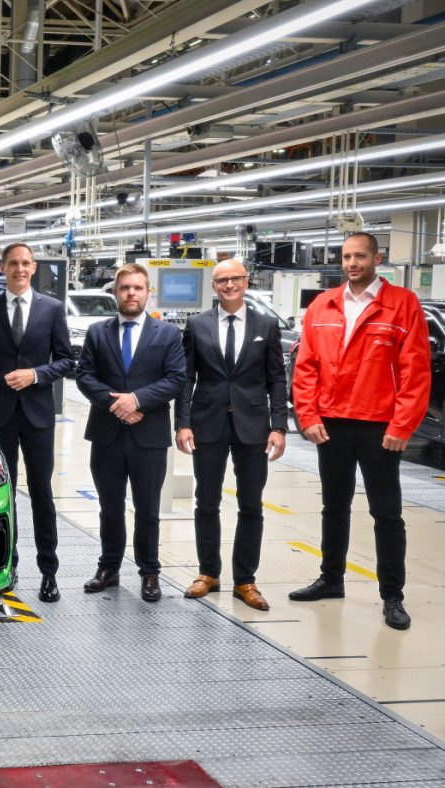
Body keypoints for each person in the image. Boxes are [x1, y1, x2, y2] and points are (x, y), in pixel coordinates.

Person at [290, 232, 430, 630]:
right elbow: (306, 366)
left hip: (379, 426)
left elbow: (415, 370)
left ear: (377, 258)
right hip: (331, 423)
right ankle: (331, 579)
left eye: (360, 256)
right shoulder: (323, 304)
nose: (352, 263)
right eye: (347, 257)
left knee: (386, 512)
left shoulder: (402, 303)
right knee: (334, 506)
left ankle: (392, 595)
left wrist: (402, 424)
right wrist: (308, 416)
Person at [174, 259, 288, 611]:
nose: (229, 285)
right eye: (222, 280)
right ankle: (208, 572)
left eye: (235, 278)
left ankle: (245, 580)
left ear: (246, 281)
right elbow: (186, 377)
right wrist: (182, 423)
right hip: (208, 423)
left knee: (251, 503)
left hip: (253, 426)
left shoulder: (266, 325)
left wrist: (279, 426)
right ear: (213, 286)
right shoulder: (197, 325)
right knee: (206, 501)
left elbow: (276, 379)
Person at [0, 242, 76, 602]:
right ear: (2, 268)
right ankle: (7, 565)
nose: (20, 268)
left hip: (37, 415)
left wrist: (35, 374)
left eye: (26, 263)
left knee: (42, 492)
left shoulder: (52, 309)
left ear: (33, 268)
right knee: (4, 493)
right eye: (13, 263)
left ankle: (49, 571)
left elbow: (66, 360)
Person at [76, 263, 187, 602]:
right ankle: (108, 567)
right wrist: (118, 404)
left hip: (148, 435)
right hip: (107, 434)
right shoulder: (97, 332)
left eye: (138, 288)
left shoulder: (167, 334)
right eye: (125, 287)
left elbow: (175, 378)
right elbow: (85, 376)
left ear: (148, 292)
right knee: (109, 507)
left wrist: (137, 400)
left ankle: (149, 572)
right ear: (115, 292)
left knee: (148, 509)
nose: (131, 293)